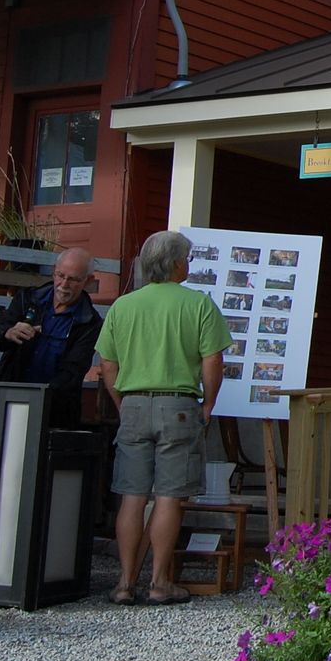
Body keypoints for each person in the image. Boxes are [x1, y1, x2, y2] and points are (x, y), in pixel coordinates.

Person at [96, 230, 228, 606]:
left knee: (132, 496)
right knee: (170, 496)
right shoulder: (197, 304)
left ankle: (124, 582)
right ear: (174, 264)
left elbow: (107, 364)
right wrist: (208, 404)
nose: (188, 264)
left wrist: (123, 402)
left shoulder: (124, 306)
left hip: (134, 403)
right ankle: (158, 581)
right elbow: (212, 360)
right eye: (186, 258)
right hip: (179, 405)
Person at [0, 246, 101, 429]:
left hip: (54, 411)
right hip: (7, 400)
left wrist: (37, 397)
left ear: (88, 281)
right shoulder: (27, 299)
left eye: (73, 279)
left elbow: (72, 373)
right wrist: (8, 332)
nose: (64, 284)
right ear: (53, 271)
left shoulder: (90, 323)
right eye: (60, 275)